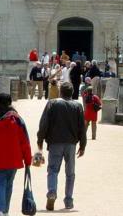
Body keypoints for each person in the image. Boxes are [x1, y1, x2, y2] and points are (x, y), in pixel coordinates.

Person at [36, 81, 87, 211]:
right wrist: (83, 145)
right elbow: (82, 127)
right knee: (70, 173)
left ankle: (52, 192)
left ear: (60, 92)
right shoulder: (78, 106)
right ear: (72, 93)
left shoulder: (52, 103)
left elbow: (44, 123)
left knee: (53, 170)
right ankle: (68, 200)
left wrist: (40, 140)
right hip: (71, 144)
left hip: (55, 142)